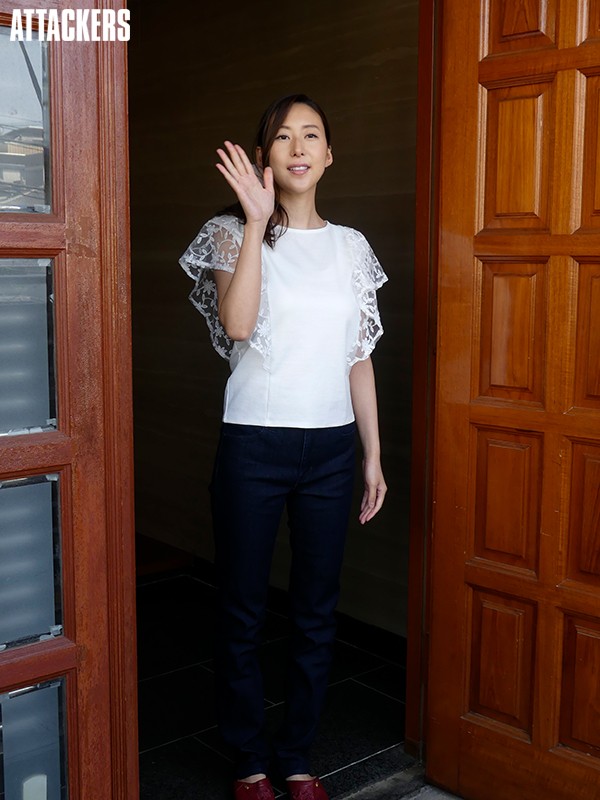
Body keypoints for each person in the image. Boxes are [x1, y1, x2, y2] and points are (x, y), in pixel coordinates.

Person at [179, 93, 388, 800]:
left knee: (316, 609)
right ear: (264, 156)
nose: (299, 147)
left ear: (329, 155)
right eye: (283, 137)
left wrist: (372, 455)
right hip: (255, 447)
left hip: (331, 450)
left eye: (312, 135)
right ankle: (248, 762)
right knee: (242, 608)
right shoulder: (227, 232)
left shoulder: (352, 247)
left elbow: (358, 358)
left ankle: (296, 758)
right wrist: (256, 221)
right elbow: (238, 326)